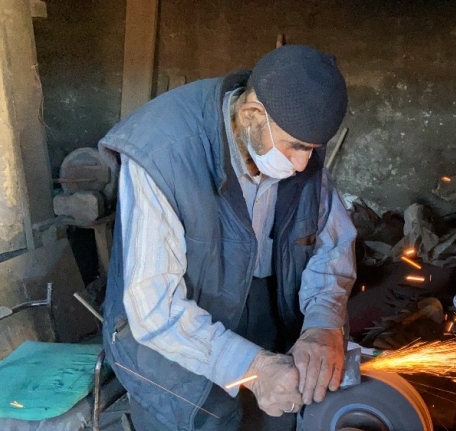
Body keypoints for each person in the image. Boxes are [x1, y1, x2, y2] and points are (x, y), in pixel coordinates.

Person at [99, 45, 357, 431]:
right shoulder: (163, 151)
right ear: (252, 114)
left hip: (255, 299)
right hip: (164, 332)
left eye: (313, 151)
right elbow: (154, 306)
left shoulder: (294, 137)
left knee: (285, 408)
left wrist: (322, 326)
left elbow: (330, 245)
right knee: (204, 419)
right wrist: (253, 367)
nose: (303, 164)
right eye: (296, 148)